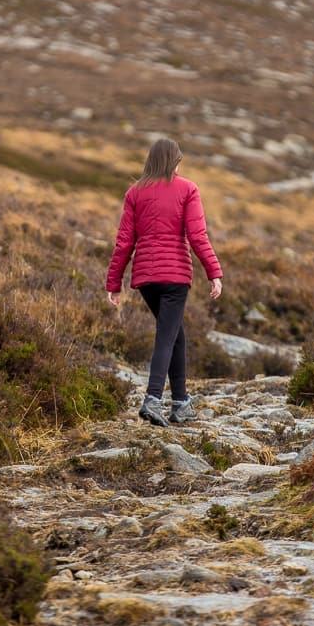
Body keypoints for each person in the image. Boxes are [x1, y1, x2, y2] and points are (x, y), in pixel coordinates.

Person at [105, 137, 223, 427]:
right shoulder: (188, 189)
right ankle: (153, 399)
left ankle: (181, 402)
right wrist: (214, 272)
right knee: (166, 336)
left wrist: (114, 283)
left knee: (175, 333)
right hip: (175, 278)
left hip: (146, 278)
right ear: (175, 161)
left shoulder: (135, 192)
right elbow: (197, 236)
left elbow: (124, 243)